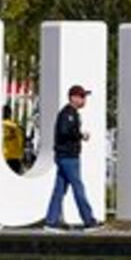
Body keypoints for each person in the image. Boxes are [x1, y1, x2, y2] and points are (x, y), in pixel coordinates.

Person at [43, 85, 100, 230]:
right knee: (78, 187)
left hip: (65, 156)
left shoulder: (71, 113)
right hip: (68, 157)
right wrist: (81, 135)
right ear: (73, 97)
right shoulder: (68, 114)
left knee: (59, 190)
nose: (84, 99)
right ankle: (88, 220)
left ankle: (51, 220)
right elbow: (65, 131)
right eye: (82, 96)